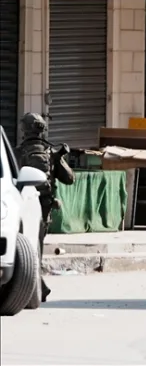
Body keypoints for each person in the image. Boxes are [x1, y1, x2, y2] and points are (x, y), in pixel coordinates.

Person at [15, 112, 75, 303]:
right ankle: (38, 287)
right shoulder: (51, 153)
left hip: (23, 208)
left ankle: (35, 289)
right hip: (45, 208)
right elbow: (70, 179)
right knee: (36, 248)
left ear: (24, 129)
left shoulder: (17, 153)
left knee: (29, 250)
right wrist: (59, 158)